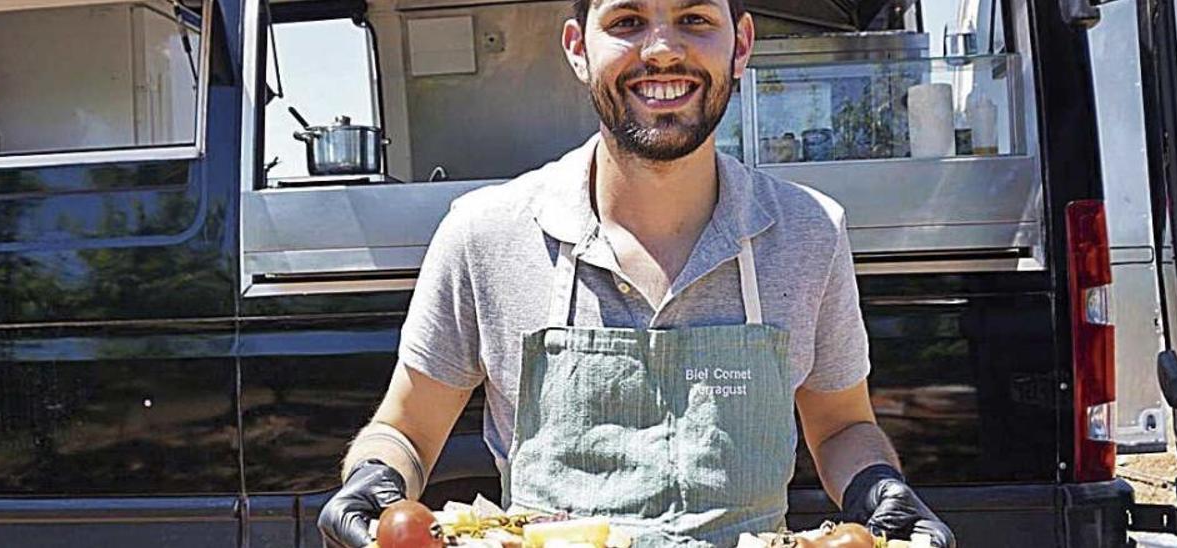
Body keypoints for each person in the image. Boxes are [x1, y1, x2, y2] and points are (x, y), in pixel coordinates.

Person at [319, 0, 957, 546]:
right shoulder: (484, 233)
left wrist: (882, 494)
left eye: (693, 19)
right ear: (577, 49)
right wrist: (375, 483)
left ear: (741, 44)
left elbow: (843, 425)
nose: (661, 50)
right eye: (626, 19)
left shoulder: (809, 231)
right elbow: (405, 429)